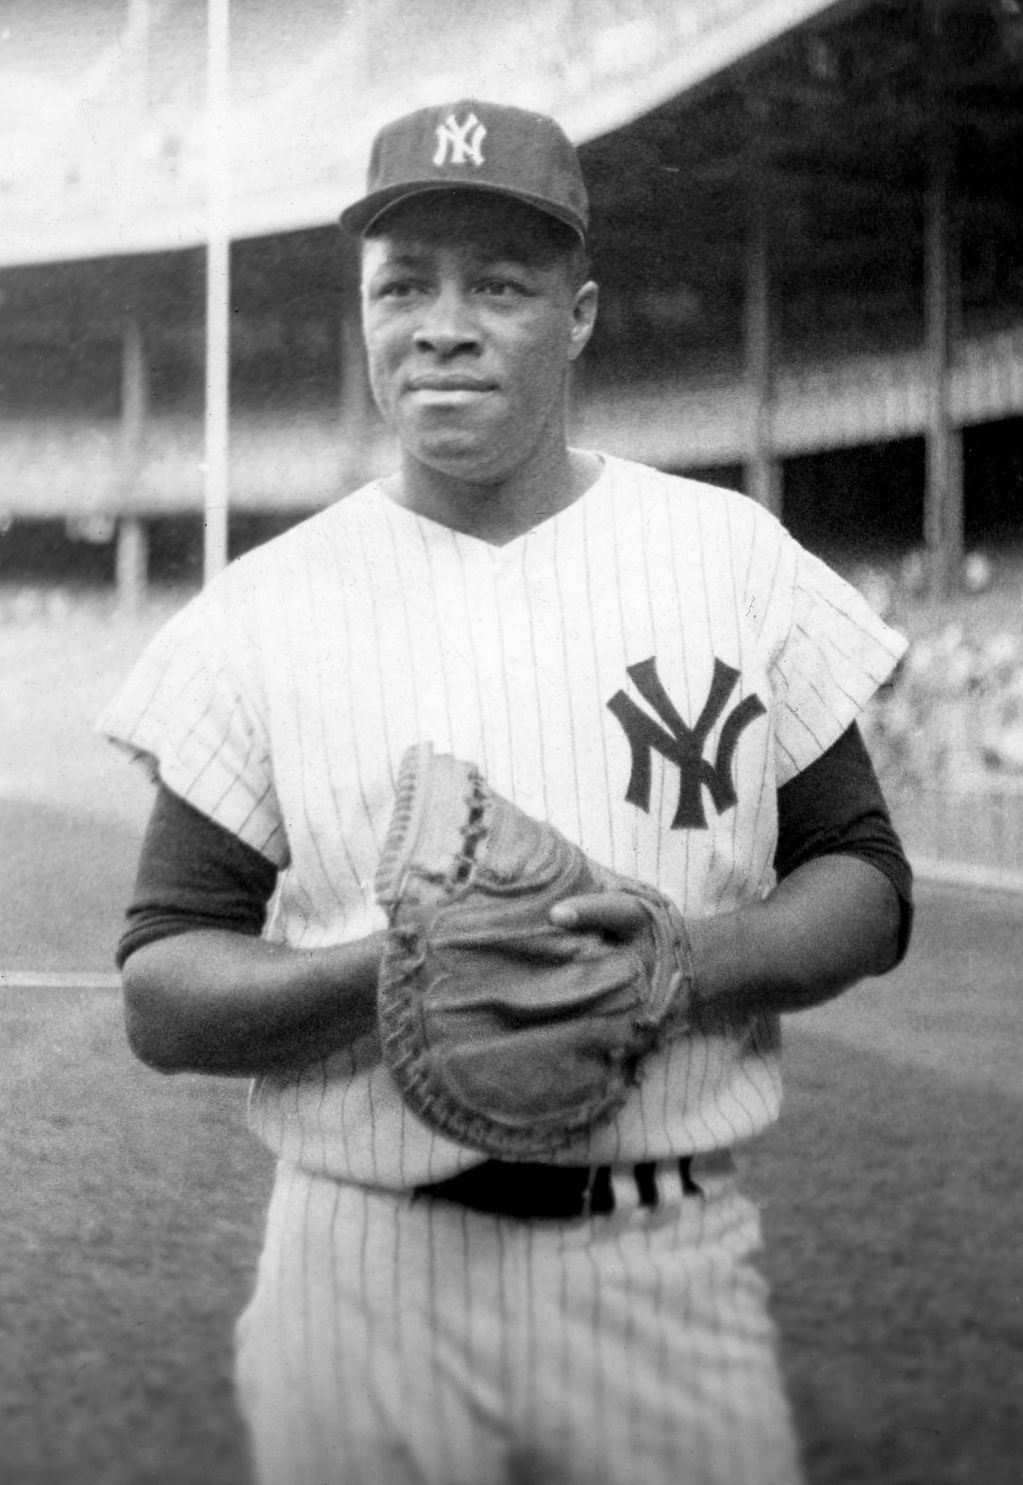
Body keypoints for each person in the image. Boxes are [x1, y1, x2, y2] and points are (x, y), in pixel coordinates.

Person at [100, 99, 913, 1485]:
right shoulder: (264, 610)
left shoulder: (729, 556)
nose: (444, 324)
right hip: (359, 1269)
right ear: (364, 313)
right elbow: (162, 990)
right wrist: (401, 973)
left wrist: (683, 961)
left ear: (581, 313)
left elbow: (867, 885)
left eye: (501, 285)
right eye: (402, 284)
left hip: (663, 1256)